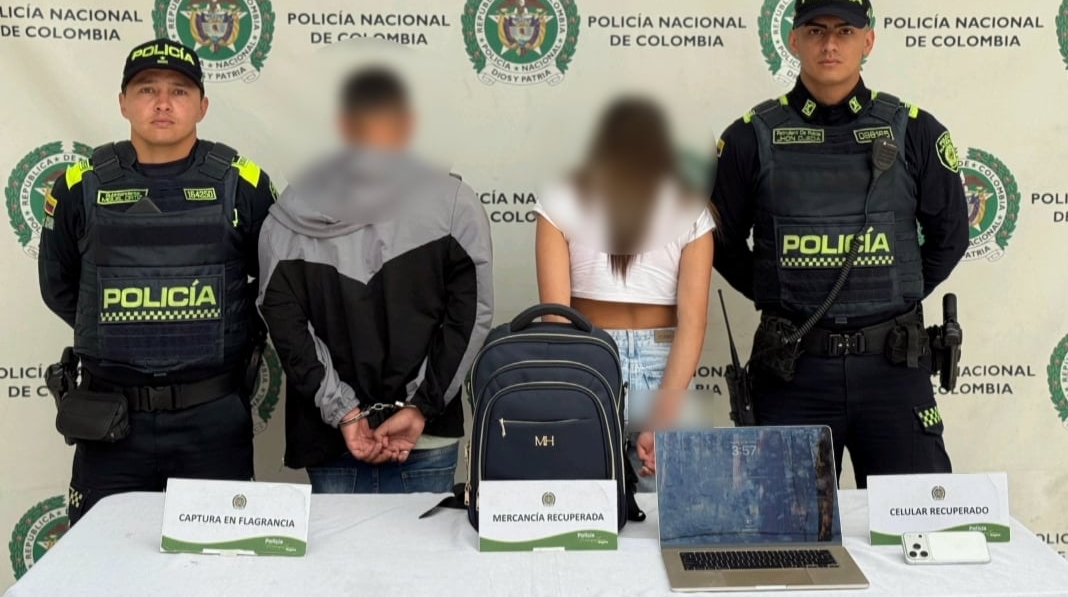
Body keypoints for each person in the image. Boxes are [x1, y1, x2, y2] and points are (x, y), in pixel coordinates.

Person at [711, 0, 969, 487]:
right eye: (816, 30)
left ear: (868, 40)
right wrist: (777, 291)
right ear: (793, 40)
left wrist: (896, 295)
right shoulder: (747, 138)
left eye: (845, 31)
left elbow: (950, 236)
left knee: (913, 525)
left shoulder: (915, 131)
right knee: (784, 529)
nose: (830, 44)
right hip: (792, 371)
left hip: (893, 368)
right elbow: (719, 240)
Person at [38, 38, 276, 523]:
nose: (163, 103)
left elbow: (276, 289)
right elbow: (60, 287)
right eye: (147, 89)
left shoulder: (244, 184)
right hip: (110, 422)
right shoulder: (79, 185)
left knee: (216, 561)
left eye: (179, 91)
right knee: (103, 561)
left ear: (202, 106)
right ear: (123, 102)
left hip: (211, 419)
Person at [258, 67, 493, 494]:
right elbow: (470, 318)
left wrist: (347, 414)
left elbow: (289, 331)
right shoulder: (455, 205)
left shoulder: (285, 217)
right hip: (417, 433)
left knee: (339, 546)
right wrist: (420, 407)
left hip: (342, 435)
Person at [534, 97, 715, 492]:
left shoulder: (559, 203)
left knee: (585, 512)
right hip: (666, 367)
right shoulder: (691, 209)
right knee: (669, 517)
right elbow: (693, 324)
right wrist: (665, 412)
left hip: (589, 362)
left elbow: (556, 321)